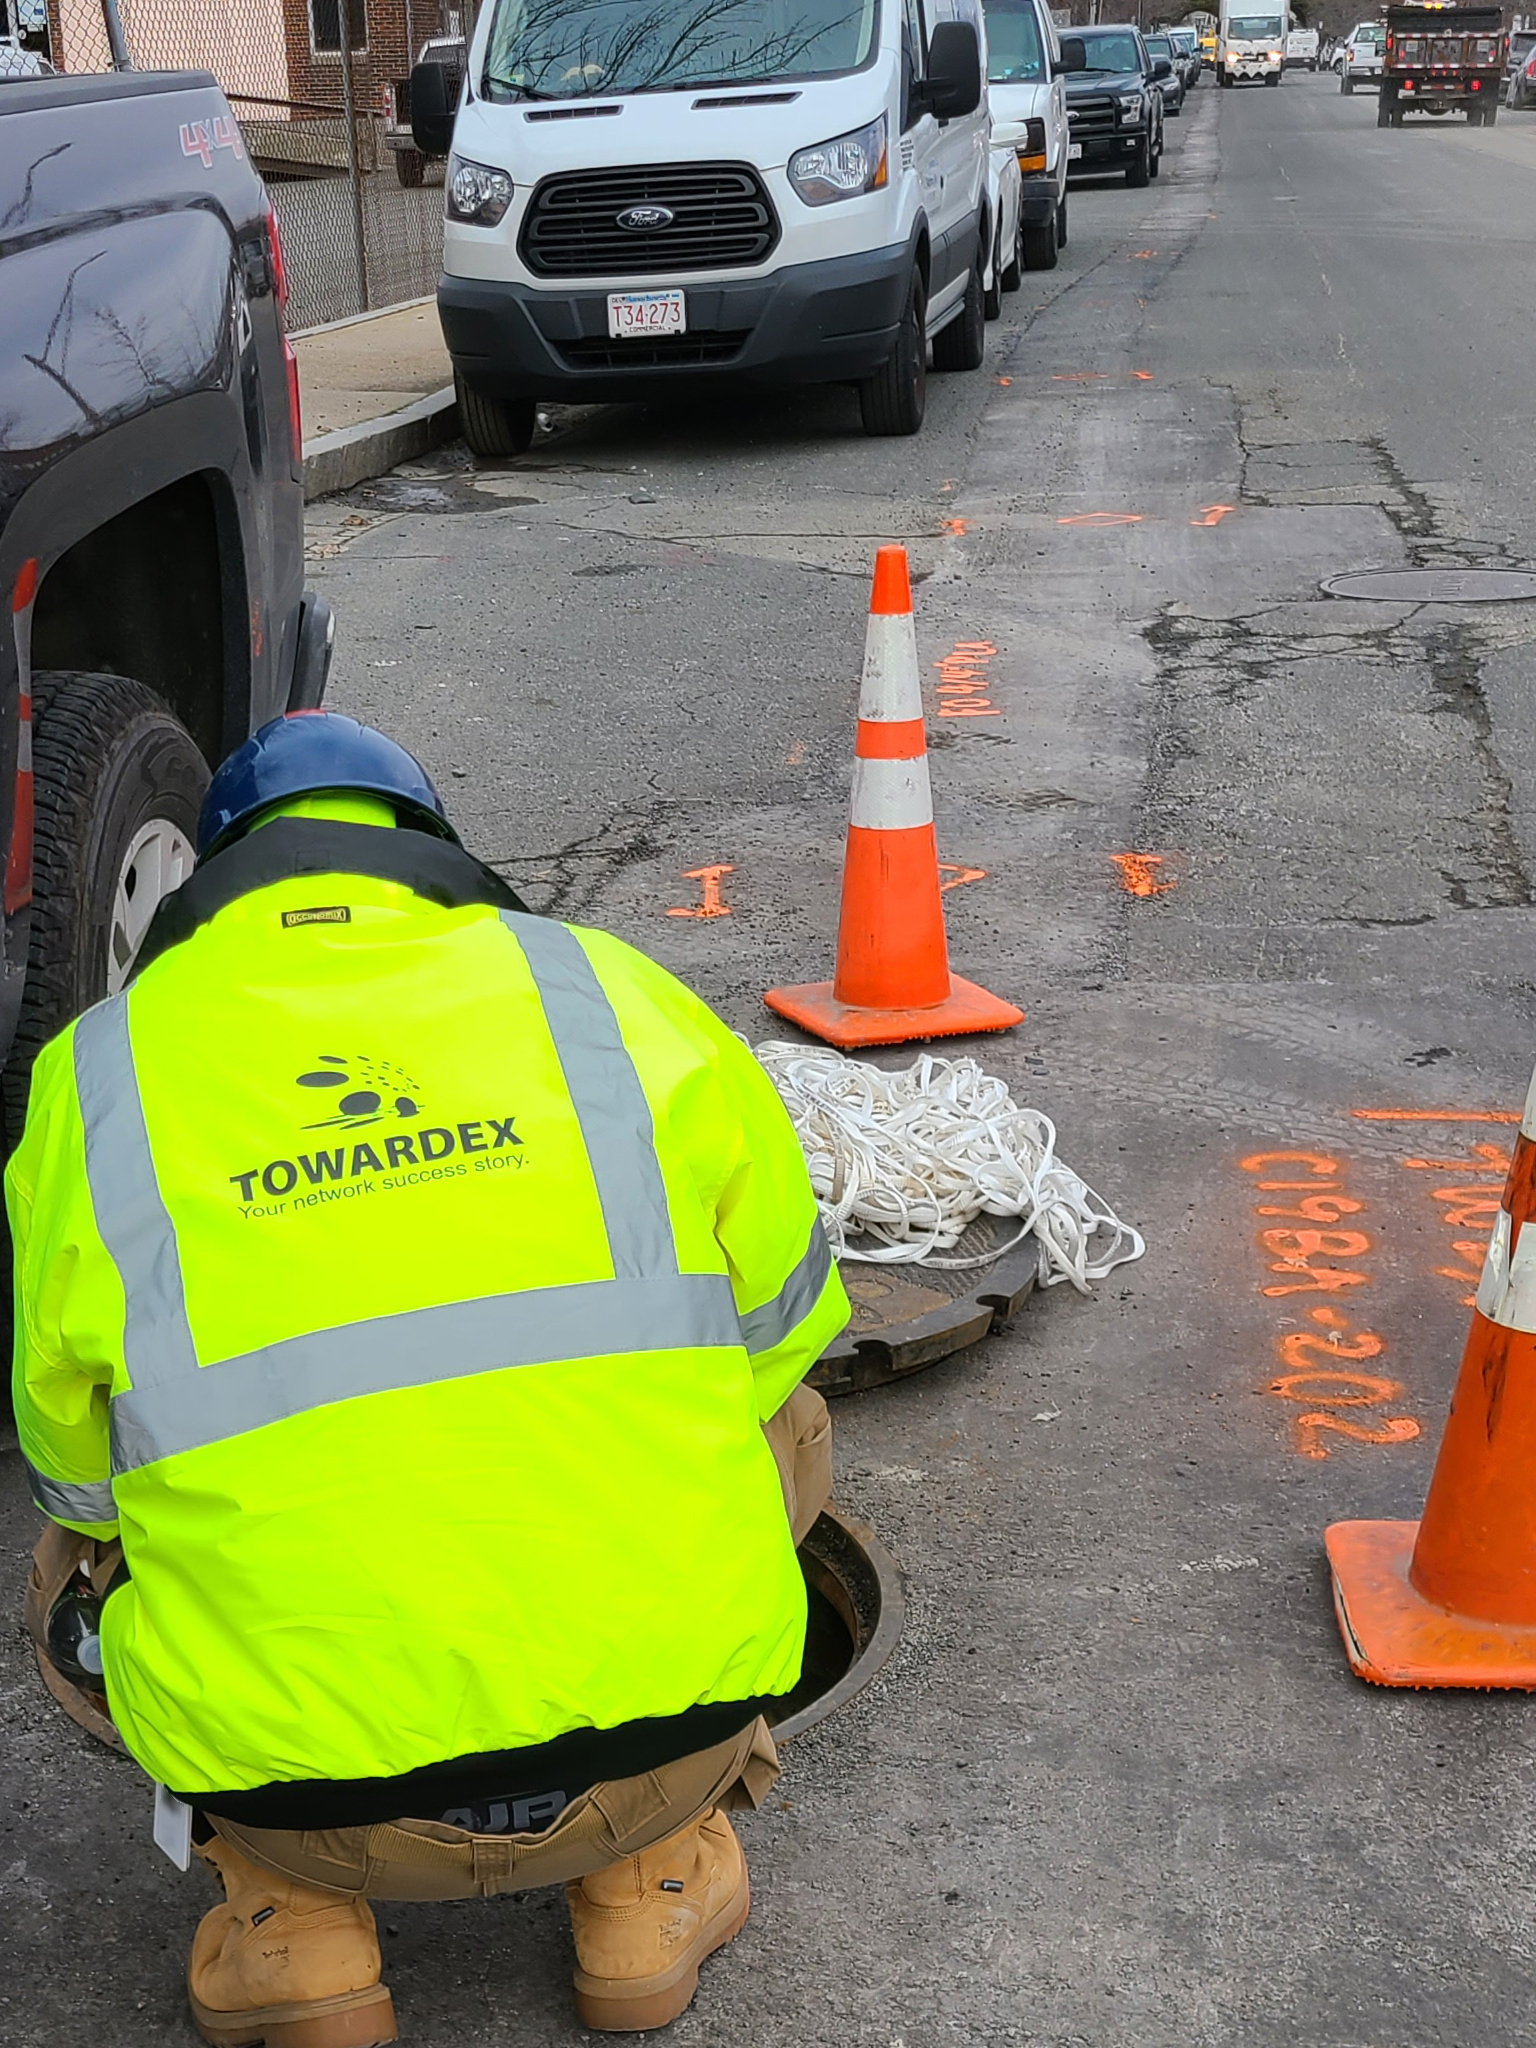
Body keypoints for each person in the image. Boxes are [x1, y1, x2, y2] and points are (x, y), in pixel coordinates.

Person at [9, 712, 849, 2045]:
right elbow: (787, 1321)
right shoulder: (608, 988)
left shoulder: (97, 1073)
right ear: (427, 848)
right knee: (782, 1416)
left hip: (302, 1801)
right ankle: (648, 1884)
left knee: (79, 1544)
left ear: (215, 877)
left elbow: (72, 1467)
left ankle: (296, 1933)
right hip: (661, 1746)